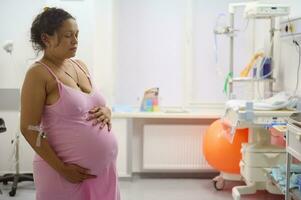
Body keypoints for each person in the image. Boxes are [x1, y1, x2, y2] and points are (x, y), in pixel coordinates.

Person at [20, 7, 120, 200]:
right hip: (64, 174)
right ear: (46, 39)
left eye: (77, 35)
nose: (75, 41)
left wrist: (106, 111)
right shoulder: (38, 74)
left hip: (104, 172)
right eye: (67, 36)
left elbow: (90, 105)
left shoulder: (79, 65)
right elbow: (28, 128)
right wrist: (63, 169)